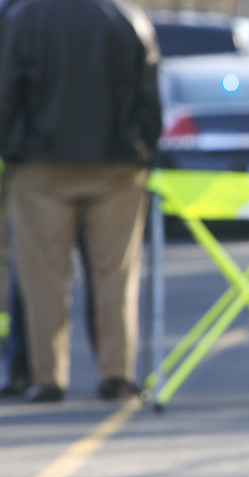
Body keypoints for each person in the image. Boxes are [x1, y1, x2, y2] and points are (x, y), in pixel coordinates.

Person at [0, 0, 162, 403]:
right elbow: (149, 90)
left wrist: (10, 149)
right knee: (116, 274)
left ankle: (47, 377)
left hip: (40, 165)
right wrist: (145, 146)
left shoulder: (23, 16)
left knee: (43, 278)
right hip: (117, 166)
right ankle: (116, 374)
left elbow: (6, 88)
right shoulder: (128, 17)